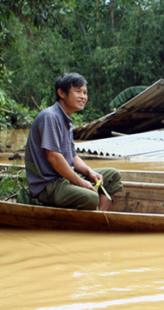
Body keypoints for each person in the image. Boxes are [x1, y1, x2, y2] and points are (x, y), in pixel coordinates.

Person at [24, 73, 123, 211]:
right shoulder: (50, 117)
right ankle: (91, 223)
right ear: (61, 93)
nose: (83, 96)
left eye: (85, 92)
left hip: (65, 176)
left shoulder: (66, 120)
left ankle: (97, 220)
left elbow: (73, 156)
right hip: (49, 184)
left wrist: (89, 172)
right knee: (90, 197)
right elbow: (54, 157)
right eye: (78, 91)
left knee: (112, 176)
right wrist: (81, 182)